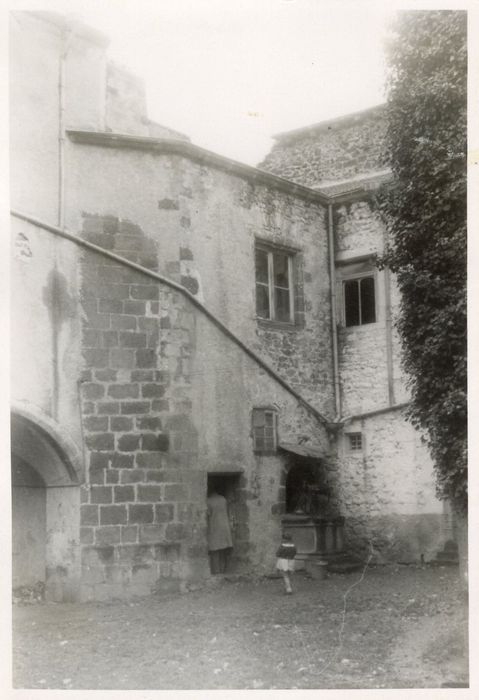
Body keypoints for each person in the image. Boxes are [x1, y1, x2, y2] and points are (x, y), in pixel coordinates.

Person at [207, 486, 233, 574]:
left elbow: (208, 514)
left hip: (215, 527)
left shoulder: (208, 501)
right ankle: (223, 571)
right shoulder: (223, 499)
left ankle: (216, 572)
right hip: (225, 528)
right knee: (223, 551)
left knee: (215, 551)